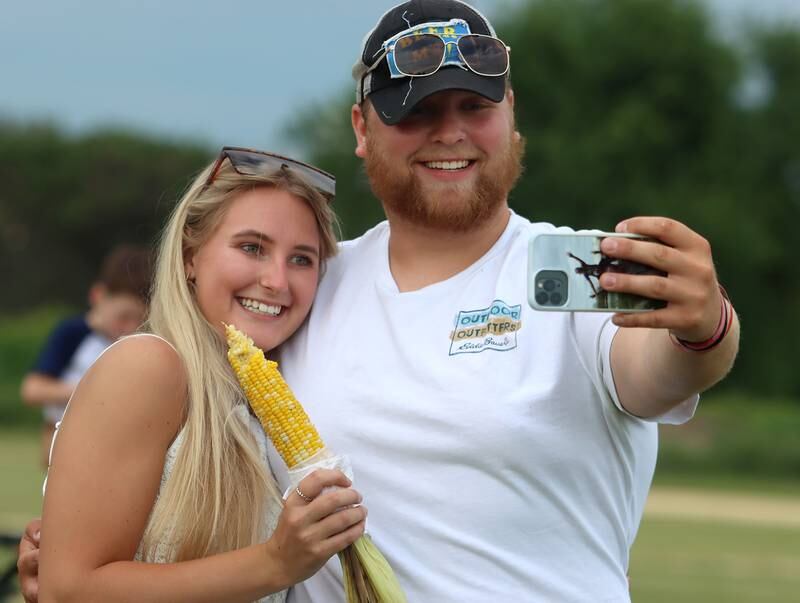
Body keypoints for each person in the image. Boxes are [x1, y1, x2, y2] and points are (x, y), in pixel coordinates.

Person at [20, 1, 741, 601]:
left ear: (510, 113)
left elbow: (659, 369)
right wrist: (83, 556)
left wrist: (704, 326)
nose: (450, 131)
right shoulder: (308, 289)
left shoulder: (565, 272)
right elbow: (197, 450)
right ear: (363, 129)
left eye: (474, 105)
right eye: (417, 111)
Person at [30, 148, 367, 602]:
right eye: (252, 247)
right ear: (191, 254)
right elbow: (68, 592)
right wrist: (275, 563)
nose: (277, 281)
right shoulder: (148, 368)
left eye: (301, 259)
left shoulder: (260, 393)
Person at [20, 244, 152, 468]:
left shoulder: (140, 344)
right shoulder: (72, 333)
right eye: (124, 316)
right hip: (64, 442)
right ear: (98, 296)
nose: (130, 327)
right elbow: (32, 389)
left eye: (139, 319)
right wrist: (91, 389)